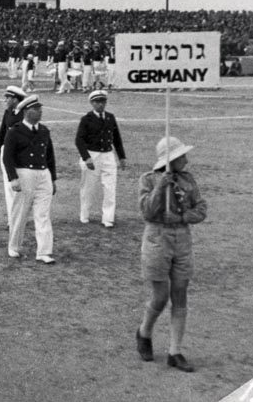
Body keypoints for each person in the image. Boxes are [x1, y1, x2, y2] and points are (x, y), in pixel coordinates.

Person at [136, 136, 207, 372]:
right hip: (157, 239)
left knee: (180, 293)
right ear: (170, 160)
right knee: (160, 295)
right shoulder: (148, 180)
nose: (186, 159)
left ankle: (175, 351)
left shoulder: (188, 180)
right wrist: (160, 187)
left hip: (182, 240)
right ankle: (144, 332)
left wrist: (182, 217)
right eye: (181, 156)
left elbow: (201, 209)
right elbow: (147, 212)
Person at [1, 95, 57, 263]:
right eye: (36, 109)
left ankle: (44, 252)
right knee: (20, 213)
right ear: (26, 112)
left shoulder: (44, 131)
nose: (40, 112)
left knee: (43, 214)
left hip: (42, 174)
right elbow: (8, 157)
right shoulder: (15, 131)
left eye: (40, 109)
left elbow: (50, 156)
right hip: (24, 174)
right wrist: (13, 178)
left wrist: (52, 179)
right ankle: (14, 247)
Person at [75, 89, 127, 227]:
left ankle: (108, 218)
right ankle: (84, 214)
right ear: (92, 103)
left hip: (108, 155)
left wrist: (121, 157)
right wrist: (86, 158)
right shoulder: (86, 119)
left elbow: (116, 138)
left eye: (103, 101)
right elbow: (79, 140)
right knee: (88, 187)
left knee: (110, 187)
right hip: (93, 154)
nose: (100, 104)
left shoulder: (110, 117)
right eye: (97, 102)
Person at [0, 85, 27, 223]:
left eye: (8, 97)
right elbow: (2, 132)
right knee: (9, 187)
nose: (5, 100)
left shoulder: (24, 114)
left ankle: (18, 217)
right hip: (6, 152)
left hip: (19, 154)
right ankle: (13, 219)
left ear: (15, 99)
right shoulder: (8, 112)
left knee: (19, 187)